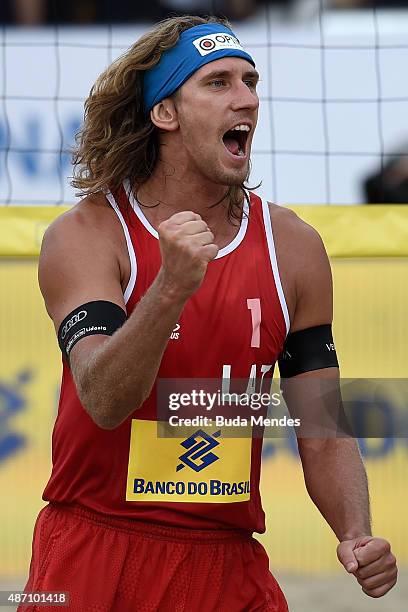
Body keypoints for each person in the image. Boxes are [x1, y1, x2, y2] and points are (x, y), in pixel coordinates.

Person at [21, 14, 397, 612]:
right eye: (218, 83)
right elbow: (103, 399)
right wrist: (169, 289)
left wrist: (355, 531)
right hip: (95, 544)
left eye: (251, 81)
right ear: (165, 113)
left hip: (227, 557)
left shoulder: (292, 247)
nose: (246, 97)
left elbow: (322, 429)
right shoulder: (89, 234)